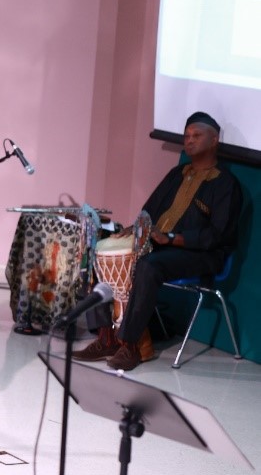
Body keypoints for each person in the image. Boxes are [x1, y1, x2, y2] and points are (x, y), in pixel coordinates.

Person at [72, 111, 243, 371]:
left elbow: (218, 236)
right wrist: (132, 231)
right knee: (98, 251)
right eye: (186, 136)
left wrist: (173, 238)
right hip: (159, 245)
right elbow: (148, 212)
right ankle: (106, 337)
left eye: (197, 136)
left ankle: (131, 346)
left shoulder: (226, 184)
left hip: (201, 254)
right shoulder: (177, 174)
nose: (189, 141)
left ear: (214, 140)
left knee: (148, 266)